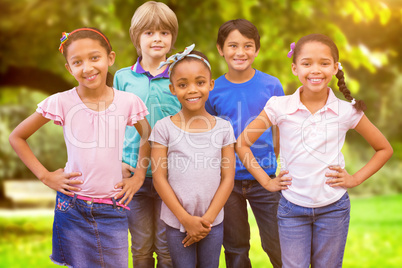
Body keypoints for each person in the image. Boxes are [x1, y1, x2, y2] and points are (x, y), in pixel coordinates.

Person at [236, 33, 393, 268]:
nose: (315, 70)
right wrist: (267, 183)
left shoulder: (347, 111)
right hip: (291, 208)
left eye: (324, 63)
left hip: (333, 208)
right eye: (307, 63)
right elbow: (242, 143)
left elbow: (383, 148)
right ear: (294, 68)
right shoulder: (279, 106)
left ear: (336, 67)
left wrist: (355, 178)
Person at [8, 27, 151, 268]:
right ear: (69, 68)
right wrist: (44, 176)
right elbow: (17, 137)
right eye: (77, 62)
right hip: (71, 207)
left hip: (112, 207)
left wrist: (138, 176)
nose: (87, 68)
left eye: (95, 58)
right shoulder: (61, 102)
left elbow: (147, 136)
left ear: (110, 58)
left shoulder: (128, 102)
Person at [205, 19, 283, 267]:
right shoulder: (213, 89)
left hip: (266, 179)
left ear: (257, 50)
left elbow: (279, 130)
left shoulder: (272, 85)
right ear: (220, 49)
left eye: (248, 46)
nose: (240, 52)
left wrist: (272, 163)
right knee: (236, 247)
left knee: (277, 242)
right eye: (233, 45)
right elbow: (210, 135)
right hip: (228, 182)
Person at [150, 44, 236, 268]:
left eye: (199, 82)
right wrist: (186, 220)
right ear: (172, 88)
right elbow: (159, 178)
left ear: (211, 84)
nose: (192, 90)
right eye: (182, 84)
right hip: (177, 221)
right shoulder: (163, 128)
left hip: (213, 221)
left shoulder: (224, 128)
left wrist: (205, 221)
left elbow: (227, 178)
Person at [113, 1, 181, 267]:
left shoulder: (180, 76)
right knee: (140, 247)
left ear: (173, 38)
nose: (157, 38)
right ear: (136, 37)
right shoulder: (122, 77)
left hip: (172, 173)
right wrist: (115, 162)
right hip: (132, 174)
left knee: (167, 248)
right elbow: (115, 125)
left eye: (164, 33)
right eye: (149, 33)